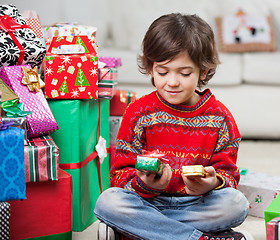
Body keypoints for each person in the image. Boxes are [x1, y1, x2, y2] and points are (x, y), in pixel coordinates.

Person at [94, 13, 252, 240]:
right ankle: (199, 237)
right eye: (162, 71)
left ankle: (142, 231)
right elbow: (119, 175)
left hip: (196, 204)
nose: (172, 82)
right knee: (107, 202)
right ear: (150, 68)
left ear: (203, 72)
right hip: (148, 201)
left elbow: (229, 176)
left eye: (185, 73)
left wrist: (212, 182)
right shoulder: (138, 112)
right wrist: (143, 182)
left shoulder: (220, 118)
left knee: (236, 204)